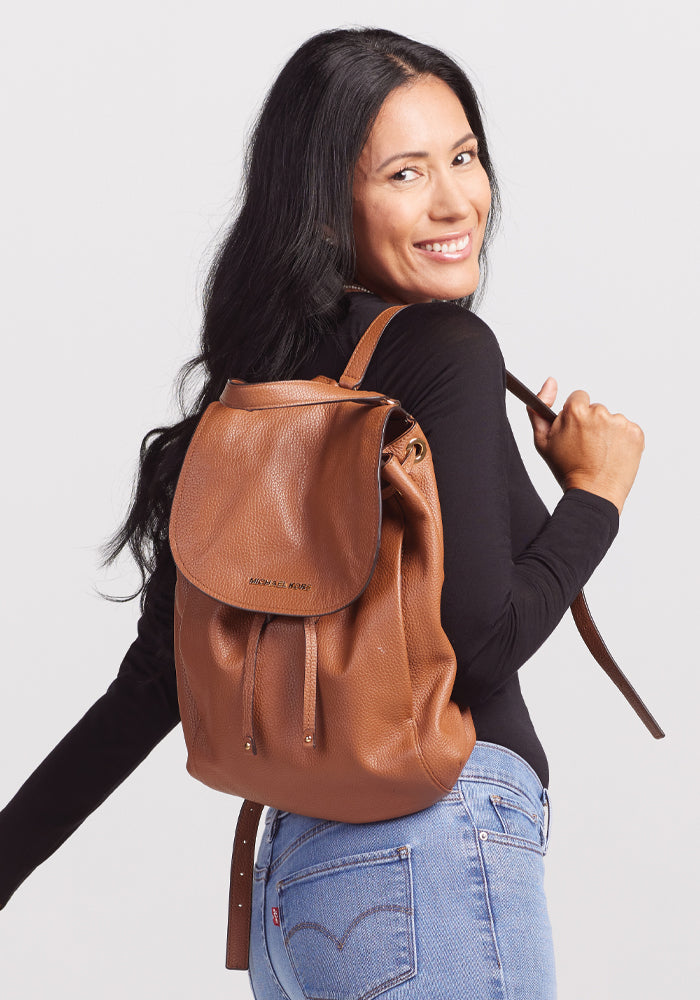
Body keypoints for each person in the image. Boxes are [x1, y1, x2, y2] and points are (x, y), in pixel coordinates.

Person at [0, 26, 644, 1000]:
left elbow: (153, 689)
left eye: (463, 157)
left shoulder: (252, 397)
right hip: (436, 846)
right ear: (330, 199)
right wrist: (595, 495)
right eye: (404, 172)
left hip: (295, 888)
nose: (454, 200)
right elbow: (476, 644)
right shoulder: (442, 349)